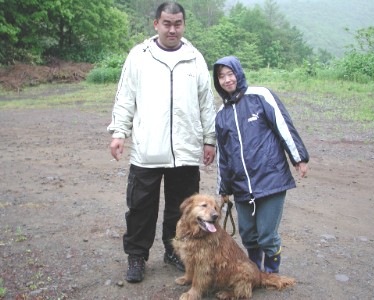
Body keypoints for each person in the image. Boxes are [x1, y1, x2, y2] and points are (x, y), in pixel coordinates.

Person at [107, 2, 216, 283]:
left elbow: (206, 103)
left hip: (186, 151)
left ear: (184, 25)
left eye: (177, 23)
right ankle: (136, 257)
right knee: (141, 208)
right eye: (166, 23)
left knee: (181, 208)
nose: (172, 29)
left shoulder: (195, 58)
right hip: (147, 150)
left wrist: (209, 140)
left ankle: (174, 252)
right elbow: (125, 97)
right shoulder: (139, 56)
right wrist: (119, 133)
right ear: (156, 24)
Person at [213, 56, 309, 274]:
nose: (227, 80)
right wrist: (224, 189)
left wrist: (299, 158)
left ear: (239, 73)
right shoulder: (221, 115)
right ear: (217, 81)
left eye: (230, 74)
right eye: (221, 77)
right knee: (248, 234)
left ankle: (271, 274)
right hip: (241, 186)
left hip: (271, 178)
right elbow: (223, 156)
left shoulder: (260, 96)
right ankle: (255, 272)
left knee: (267, 234)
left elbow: (283, 126)